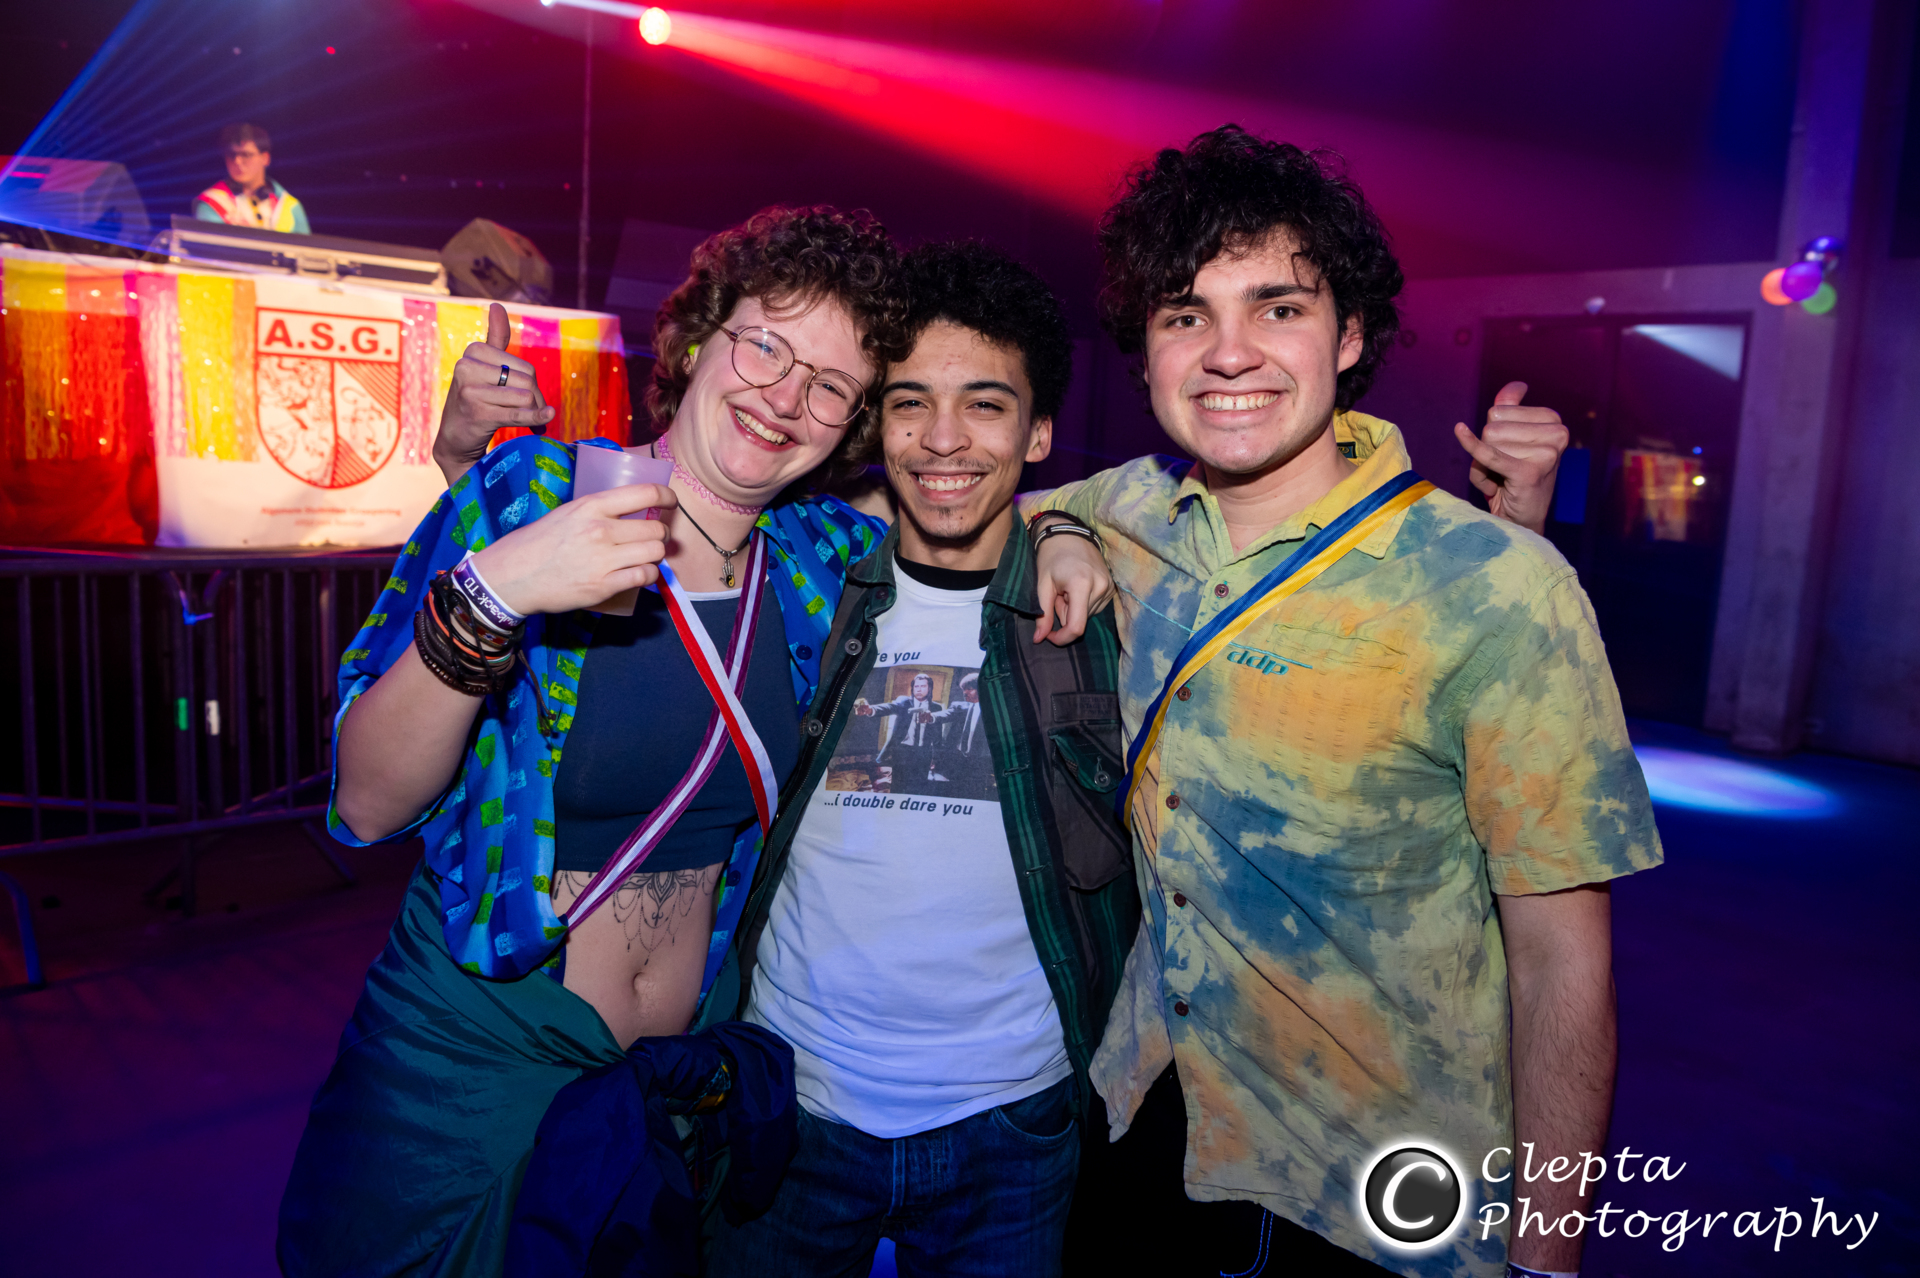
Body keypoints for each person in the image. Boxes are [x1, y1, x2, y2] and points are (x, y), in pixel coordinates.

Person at [276, 207, 1115, 1277]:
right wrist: (501, 590)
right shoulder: (532, 494)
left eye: (832, 386)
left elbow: (965, 490)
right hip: (484, 1044)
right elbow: (366, 803)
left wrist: (1064, 528)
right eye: (766, 347)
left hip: (684, 1084)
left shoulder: (822, 558)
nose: (786, 399)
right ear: (699, 337)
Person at [1031, 126, 1662, 1278]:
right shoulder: (1133, 512)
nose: (1229, 353)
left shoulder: (1496, 585)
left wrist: (1545, 1258)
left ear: (1351, 334)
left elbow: (1563, 967)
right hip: (1147, 1138)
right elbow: (994, 501)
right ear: (1147, 352)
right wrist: (1063, 532)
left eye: (1278, 308)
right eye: (1186, 315)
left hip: (1382, 1191)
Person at [699, 241, 1140, 1276]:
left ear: (1039, 434)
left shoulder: (1105, 613)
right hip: (791, 1106)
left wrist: (1066, 526)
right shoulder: (807, 584)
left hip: (1014, 1126)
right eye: (910, 405)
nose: (943, 440)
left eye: (985, 406)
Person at [192, 123, 310, 233]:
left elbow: (305, 248)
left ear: (265, 158)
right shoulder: (211, 202)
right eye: (232, 155)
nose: (237, 161)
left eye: (246, 155)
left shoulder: (290, 206)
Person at [856, 669, 944, 790]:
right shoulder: (903, 702)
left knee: (919, 787)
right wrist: (870, 710)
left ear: (930, 688)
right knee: (898, 786)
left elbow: (937, 735)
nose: (919, 689)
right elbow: (889, 707)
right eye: (916, 686)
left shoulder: (936, 708)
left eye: (923, 686)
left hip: (924, 753)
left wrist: (936, 758)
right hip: (903, 752)